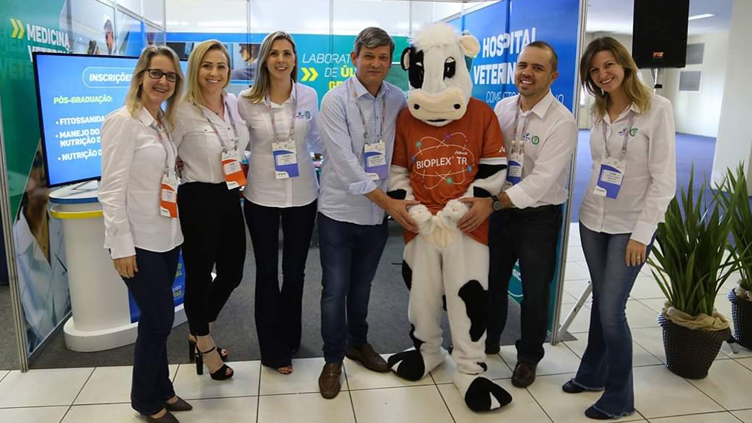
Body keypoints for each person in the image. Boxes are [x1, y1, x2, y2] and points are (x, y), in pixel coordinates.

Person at [562, 37, 676, 420]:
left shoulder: (657, 108)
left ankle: (620, 397)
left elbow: (664, 181)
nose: (602, 74)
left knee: (612, 311)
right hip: (593, 219)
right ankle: (591, 374)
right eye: (594, 70)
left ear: (625, 64)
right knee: (601, 302)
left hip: (631, 226)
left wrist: (643, 234)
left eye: (608, 65)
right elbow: (600, 166)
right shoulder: (597, 110)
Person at [315, 26, 411, 399]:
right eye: (368, 56)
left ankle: (357, 343)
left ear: (390, 62)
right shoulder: (334, 101)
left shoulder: (398, 99)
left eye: (383, 57)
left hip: (375, 218)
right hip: (339, 213)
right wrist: (390, 204)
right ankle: (332, 359)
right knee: (334, 291)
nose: (375, 63)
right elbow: (344, 164)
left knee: (362, 288)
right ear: (354, 58)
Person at [99, 45, 192, 423]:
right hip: (136, 242)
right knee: (158, 319)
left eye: (170, 76)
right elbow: (111, 190)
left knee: (159, 319)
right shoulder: (123, 122)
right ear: (140, 76)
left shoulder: (162, 123)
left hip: (166, 236)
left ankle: (163, 388)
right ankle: (144, 400)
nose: (163, 81)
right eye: (156, 73)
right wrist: (121, 246)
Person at [487, 41, 578, 388]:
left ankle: (528, 357)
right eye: (523, 65)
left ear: (552, 76)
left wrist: (494, 202)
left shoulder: (562, 122)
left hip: (537, 218)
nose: (527, 73)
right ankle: (489, 339)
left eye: (538, 68)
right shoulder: (503, 108)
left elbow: (542, 181)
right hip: (500, 214)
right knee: (492, 282)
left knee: (535, 292)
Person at [236, 31, 321, 375]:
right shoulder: (245, 100)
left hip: (303, 194)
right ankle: (273, 350)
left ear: (295, 59)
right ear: (264, 60)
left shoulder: (309, 95)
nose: (281, 60)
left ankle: (290, 337)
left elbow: (317, 139)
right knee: (267, 273)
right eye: (274, 54)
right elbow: (235, 143)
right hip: (261, 196)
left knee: (296, 273)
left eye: (287, 53)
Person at [172, 39, 249, 381]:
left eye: (221, 66)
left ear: (228, 71)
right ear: (195, 68)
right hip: (197, 198)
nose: (214, 73)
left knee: (232, 273)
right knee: (200, 275)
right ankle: (204, 343)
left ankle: (199, 328)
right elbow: (166, 156)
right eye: (207, 65)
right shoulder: (180, 110)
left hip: (230, 194)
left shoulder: (233, 103)